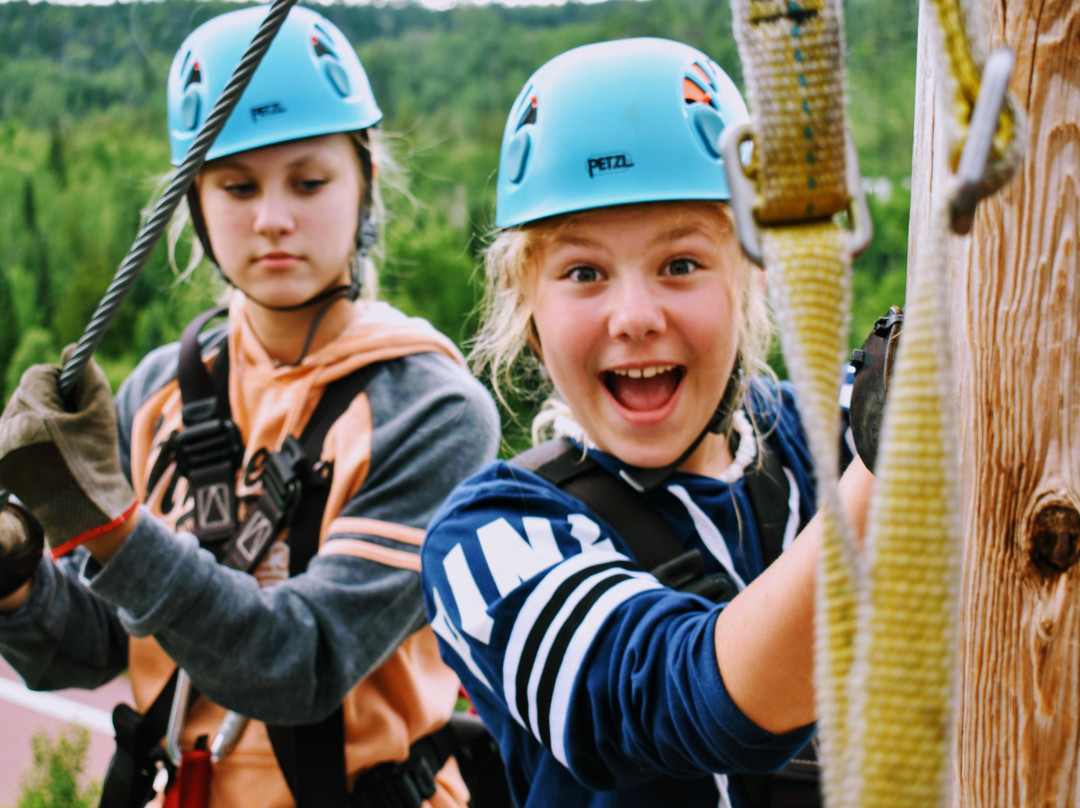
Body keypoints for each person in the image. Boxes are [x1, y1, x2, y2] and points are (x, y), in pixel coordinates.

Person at [0, 5, 499, 807]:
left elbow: (306, 663)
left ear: (364, 182)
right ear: (195, 202)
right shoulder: (163, 391)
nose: (273, 218)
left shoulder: (431, 410)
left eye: (309, 182)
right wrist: (16, 571)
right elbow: (103, 641)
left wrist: (111, 529)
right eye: (237, 185)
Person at [418, 38, 876, 808]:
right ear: (528, 308)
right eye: (584, 273)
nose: (634, 317)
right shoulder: (491, 543)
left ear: (750, 279)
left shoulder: (826, 441)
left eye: (681, 264)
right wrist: (894, 467)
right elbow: (683, 702)